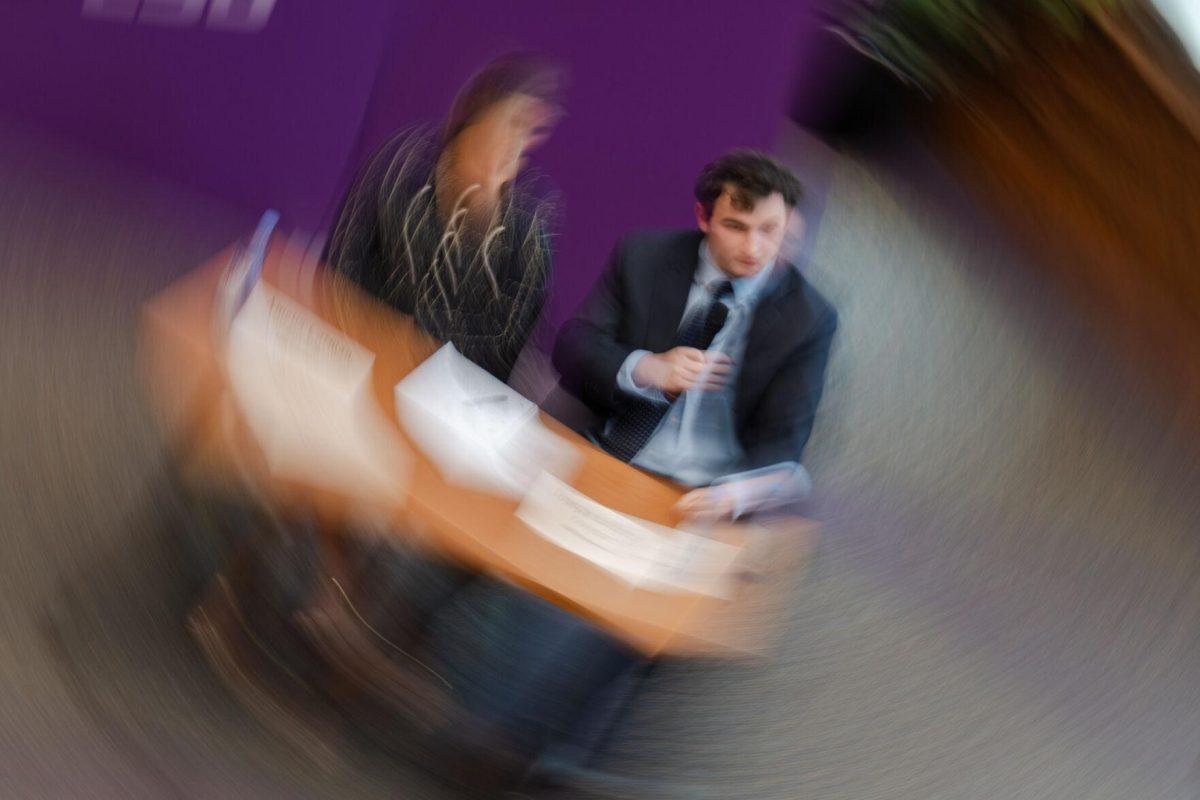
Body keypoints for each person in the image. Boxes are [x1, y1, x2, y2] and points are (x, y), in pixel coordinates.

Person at [554, 148, 837, 519]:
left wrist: (734, 496)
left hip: (705, 495)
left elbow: (784, 440)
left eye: (770, 230)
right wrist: (645, 368)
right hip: (610, 451)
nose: (754, 249)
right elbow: (573, 346)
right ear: (703, 217)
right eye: (736, 226)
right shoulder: (644, 255)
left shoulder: (809, 318)